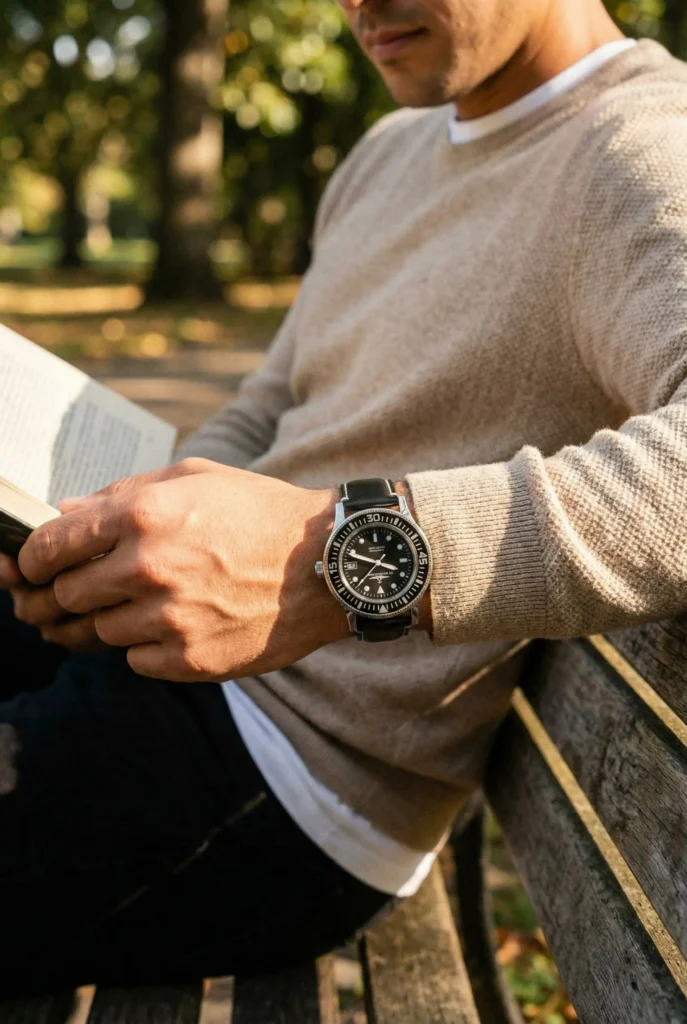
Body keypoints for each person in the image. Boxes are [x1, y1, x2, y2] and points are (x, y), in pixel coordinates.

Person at [2, 0, 687, 994]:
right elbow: (275, 397)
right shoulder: (389, 149)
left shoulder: (640, 156)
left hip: (291, 787)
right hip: (173, 661)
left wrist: (332, 557)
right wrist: (106, 529)